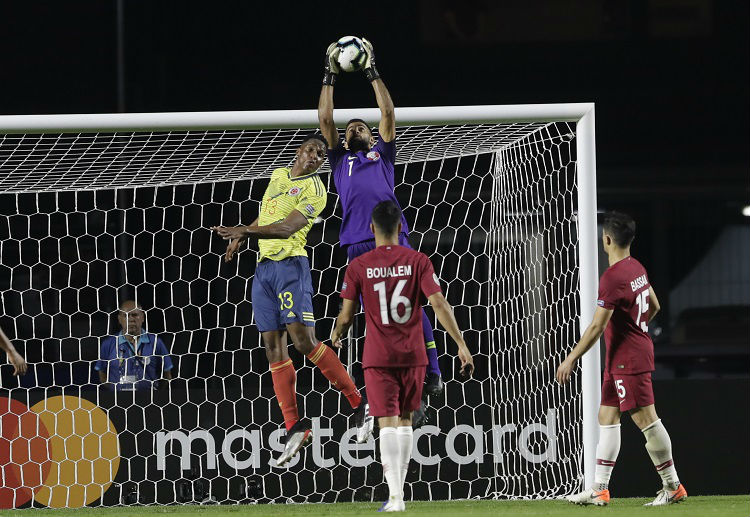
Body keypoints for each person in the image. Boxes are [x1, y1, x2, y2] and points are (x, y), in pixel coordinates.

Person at [212, 133, 370, 467]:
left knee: (303, 341)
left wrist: (244, 230)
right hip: (263, 271)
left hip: (290, 267)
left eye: (321, 156)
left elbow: (286, 228)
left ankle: (358, 402)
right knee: (273, 348)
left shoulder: (317, 192)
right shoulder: (277, 176)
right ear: (299, 150)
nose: (315, 157)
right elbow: (267, 216)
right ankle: (294, 425)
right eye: (312, 150)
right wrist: (245, 233)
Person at [318, 38, 445, 399]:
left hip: (393, 234)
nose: (353, 129)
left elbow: (388, 113)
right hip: (356, 241)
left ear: (373, 137)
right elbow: (325, 118)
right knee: (364, 308)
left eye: (361, 127)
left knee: (413, 299)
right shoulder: (341, 161)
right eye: (349, 130)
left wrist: (371, 71)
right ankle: (370, 377)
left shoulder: (382, 156)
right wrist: (330, 74)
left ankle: (433, 373)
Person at [331, 201, 474, 512]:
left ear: (371, 229)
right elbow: (439, 304)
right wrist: (461, 344)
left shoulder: (358, 265)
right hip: (413, 355)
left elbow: (346, 315)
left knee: (387, 422)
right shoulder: (418, 260)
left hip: (379, 356)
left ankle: (395, 498)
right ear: (400, 228)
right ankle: (401, 494)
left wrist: (337, 334)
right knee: (407, 420)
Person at [556, 212, 687, 507]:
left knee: (646, 420)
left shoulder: (612, 277)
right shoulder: (636, 267)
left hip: (628, 359)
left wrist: (571, 359)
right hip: (622, 357)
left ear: (606, 240)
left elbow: (597, 326)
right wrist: (636, 328)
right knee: (607, 417)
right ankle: (600, 489)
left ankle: (673, 486)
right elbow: (654, 305)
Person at [95, 300, 174, 391]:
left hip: (149, 401)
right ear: (119, 319)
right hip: (118, 402)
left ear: (142, 317)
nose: (131, 319)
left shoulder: (156, 342)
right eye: (126, 315)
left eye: (135, 315)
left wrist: (155, 394)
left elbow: (167, 375)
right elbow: (102, 377)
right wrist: (116, 391)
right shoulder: (108, 344)